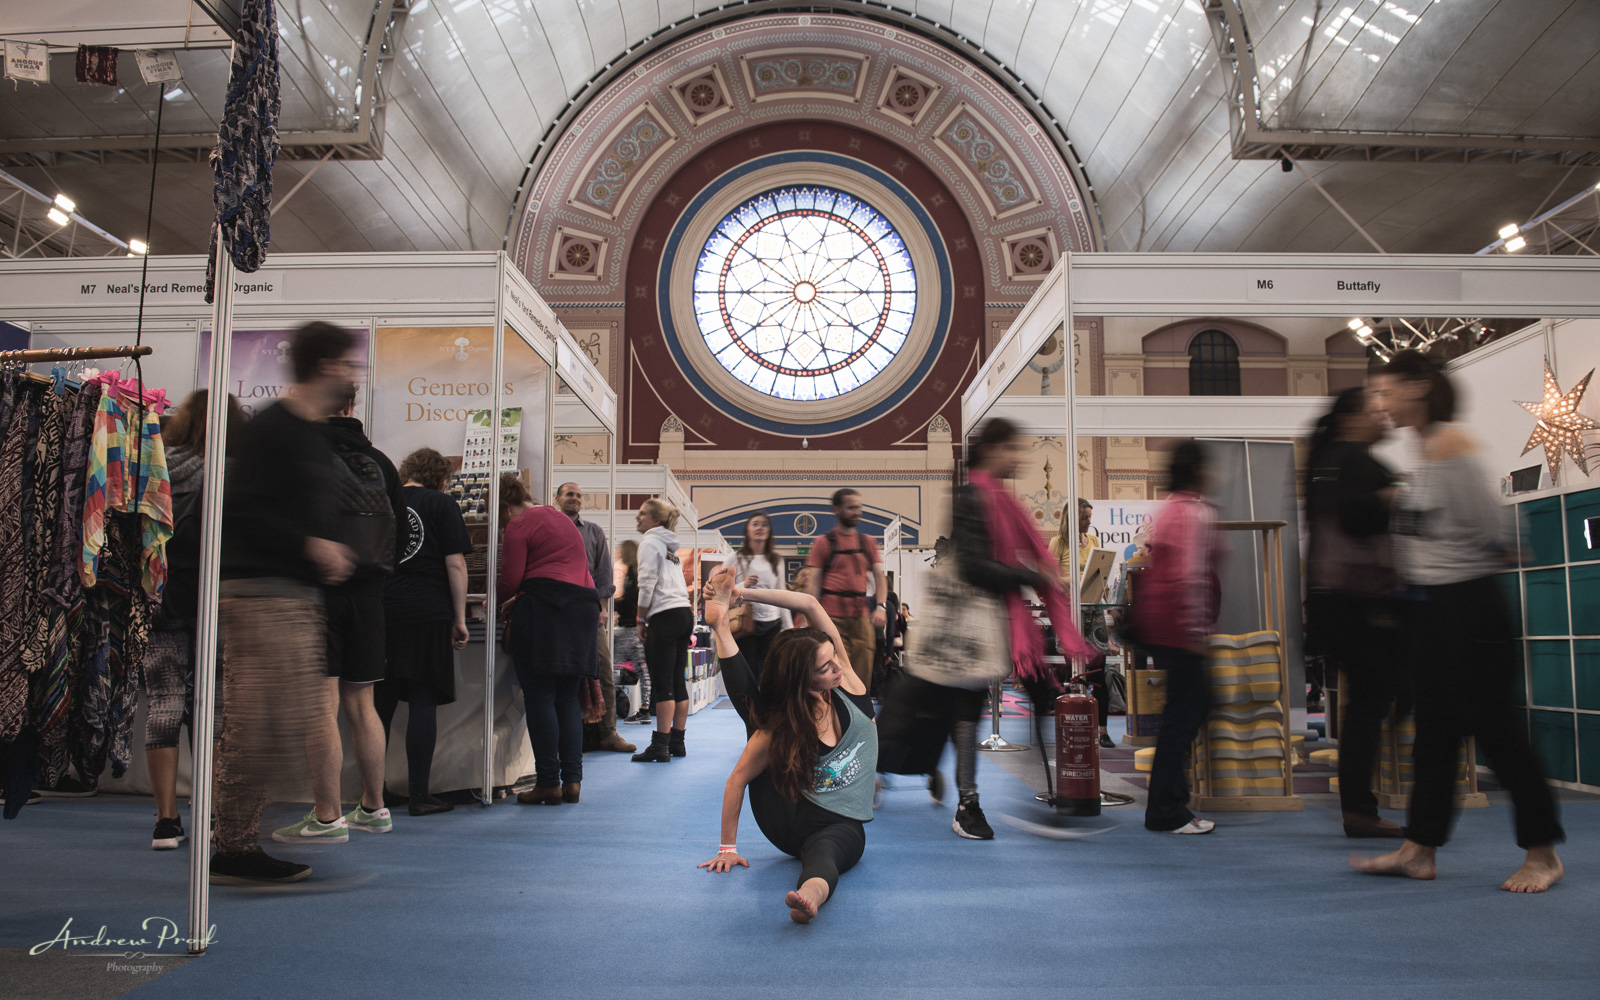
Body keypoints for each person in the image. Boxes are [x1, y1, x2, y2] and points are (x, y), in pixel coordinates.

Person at [1353, 350, 1565, 892]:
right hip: (1431, 609)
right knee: (1435, 736)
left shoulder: (1451, 444)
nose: (1383, 403)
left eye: (1388, 391)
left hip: (1470, 608)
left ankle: (1542, 854)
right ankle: (1420, 849)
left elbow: (1498, 536)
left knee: (1500, 732)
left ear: (1420, 386)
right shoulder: (1423, 450)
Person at [212, 321, 357, 885]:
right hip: (262, 595)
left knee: (278, 724)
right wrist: (309, 544)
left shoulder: (307, 433)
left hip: (292, 595)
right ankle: (232, 846)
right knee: (258, 726)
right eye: (346, 363)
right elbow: (241, 512)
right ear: (326, 366)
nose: (350, 374)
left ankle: (234, 839)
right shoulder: (273, 430)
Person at [939, 417, 1093, 839]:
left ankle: (1052, 789)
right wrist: (1033, 577)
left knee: (1042, 694)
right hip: (975, 623)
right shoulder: (971, 496)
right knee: (966, 711)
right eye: (1011, 448)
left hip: (1005, 618)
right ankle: (967, 804)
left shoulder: (1003, 501)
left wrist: (1034, 575)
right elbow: (973, 566)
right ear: (991, 450)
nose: (1019, 457)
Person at [697, 567, 876, 925]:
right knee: (764, 722)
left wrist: (742, 596)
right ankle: (720, 628)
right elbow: (736, 781)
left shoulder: (850, 684)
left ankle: (808, 896)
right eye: (826, 668)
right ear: (803, 679)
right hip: (789, 816)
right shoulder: (780, 727)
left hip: (837, 821)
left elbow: (809, 603)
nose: (838, 668)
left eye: (833, 658)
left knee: (832, 849)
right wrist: (727, 849)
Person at [272, 381, 406, 845]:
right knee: (363, 705)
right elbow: (402, 540)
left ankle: (327, 816)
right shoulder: (383, 462)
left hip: (317, 594)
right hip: (370, 596)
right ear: (352, 405)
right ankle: (374, 806)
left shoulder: (302, 456)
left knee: (321, 706)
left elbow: (284, 529)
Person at [1305, 387, 1407, 839]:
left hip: (1346, 604)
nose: (1381, 413)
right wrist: (1392, 497)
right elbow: (1354, 518)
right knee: (1372, 706)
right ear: (1350, 418)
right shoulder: (1350, 461)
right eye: (1372, 408)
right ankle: (1361, 810)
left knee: (1368, 706)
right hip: (1362, 604)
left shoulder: (1332, 461)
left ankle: (1361, 809)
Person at [144, 389, 241, 849]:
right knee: (217, 707)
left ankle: (166, 820)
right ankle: (214, 811)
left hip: (162, 593)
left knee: (163, 703)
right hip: (216, 598)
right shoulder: (232, 471)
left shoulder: (158, 465)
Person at [373, 447, 472, 816]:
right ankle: (419, 794)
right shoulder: (442, 505)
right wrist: (459, 618)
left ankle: (373, 794)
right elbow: (456, 565)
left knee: (378, 705)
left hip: (382, 609)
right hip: (427, 611)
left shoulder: (384, 499)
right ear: (440, 476)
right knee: (422, 700)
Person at [1138, 440, 1224, 836]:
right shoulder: (1192, 512)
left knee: (1185, 712)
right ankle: (1166, 809)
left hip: (1162, 627)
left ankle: (1172, 800)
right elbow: (1189, 577)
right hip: (1179, 629)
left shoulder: (1169, 508)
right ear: (1196, 471)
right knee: (1184, 716)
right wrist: (1195, 631)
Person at [499, 490, 600, 804]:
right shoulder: (562, 520)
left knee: (539, 695)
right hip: (582, 607)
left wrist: (501, 601)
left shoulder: (520, 524)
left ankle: (547, 782)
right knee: (567, 696)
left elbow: (510, 580)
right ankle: (572, 782)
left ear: (504, 506)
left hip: (544, 606)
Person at [556, 481, 634, 754]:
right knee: (561, 674)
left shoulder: (593, 532)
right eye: (569, 494)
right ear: (558, 499)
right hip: (556, 614)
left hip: (588, 612)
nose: (575, 499)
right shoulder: (549, 528)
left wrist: (602, 608)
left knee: (603, 673)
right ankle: (562, 737)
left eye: (578, 495)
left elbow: (604, 574)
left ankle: (608, 732)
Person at [631, 498, 694, 762]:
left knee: (663, 683)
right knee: (678, 681)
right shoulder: (671, 547)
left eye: (643, 514)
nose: (638, 518)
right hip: (683, 613)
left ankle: (660, 745)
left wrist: (640, 618)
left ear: (656, 520)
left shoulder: (649, 542)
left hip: (664, 616)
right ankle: (677, 741)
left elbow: (647, 584)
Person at [806, 489, 888, 688]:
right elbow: (813, 584)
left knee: (862, 675)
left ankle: (861, 715)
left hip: (861, 619)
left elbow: (879, 577)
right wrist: (810, 618)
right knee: (834, 675)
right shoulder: (823, 543)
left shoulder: (867, 542)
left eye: (858, 507)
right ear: (837, 509)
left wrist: (881, 607)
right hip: (831, 619)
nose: (857, 512)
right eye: (851, 508)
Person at [1051, 497, 1114, 748]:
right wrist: (1075, 579)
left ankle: (1103, 730)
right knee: (1073, 671)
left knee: (1100, 669)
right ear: (1072, 518)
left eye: (1090, 517)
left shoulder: (1095, 541)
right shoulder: (1058, 543)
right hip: (1069, 611)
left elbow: (1100, 574)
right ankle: (1073, 727)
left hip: (1093, 609)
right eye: (1084, 518)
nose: (1089, 522)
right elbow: (1049, 576)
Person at [721, 511, 792, 679]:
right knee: (749, 671)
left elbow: (782, 594)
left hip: (772, 624)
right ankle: (750, 704)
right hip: (745, 624)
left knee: (771, 671)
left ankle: (768, 705)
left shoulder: (776, 560)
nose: (760, 528)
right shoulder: (735, 558)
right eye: (755, 524)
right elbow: (722, 590)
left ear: (769, 531)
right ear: (747, 530)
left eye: (764, 524)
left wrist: (789, 628)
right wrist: (743, 586)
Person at [614, 540, 649, 723]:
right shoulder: (634, 573)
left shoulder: (634, 574)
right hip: (631, 626)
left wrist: (614, 603)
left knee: (613, 666)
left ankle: (641, 708)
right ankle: (644, 709)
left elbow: (631, 602)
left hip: (630, 627)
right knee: (641, 670)